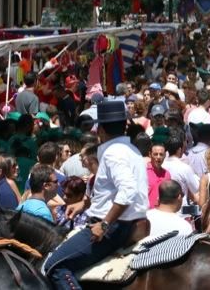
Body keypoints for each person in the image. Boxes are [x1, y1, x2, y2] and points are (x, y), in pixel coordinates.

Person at [44, 100, 149, 290]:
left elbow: (127, 191)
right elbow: (112, 191)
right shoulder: (132, 150)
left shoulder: (113, 153)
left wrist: (104, 223)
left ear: (100, 129)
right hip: (128, 222)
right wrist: (84, 205)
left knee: (55, 266)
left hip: (113, 228)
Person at [147, 140, 171, 209]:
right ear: (150, 154)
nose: (158, 157)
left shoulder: (167, 174)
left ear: (165, 156)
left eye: (161, 154)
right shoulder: (143, 172)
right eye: (155, 154)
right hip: (146, 216)